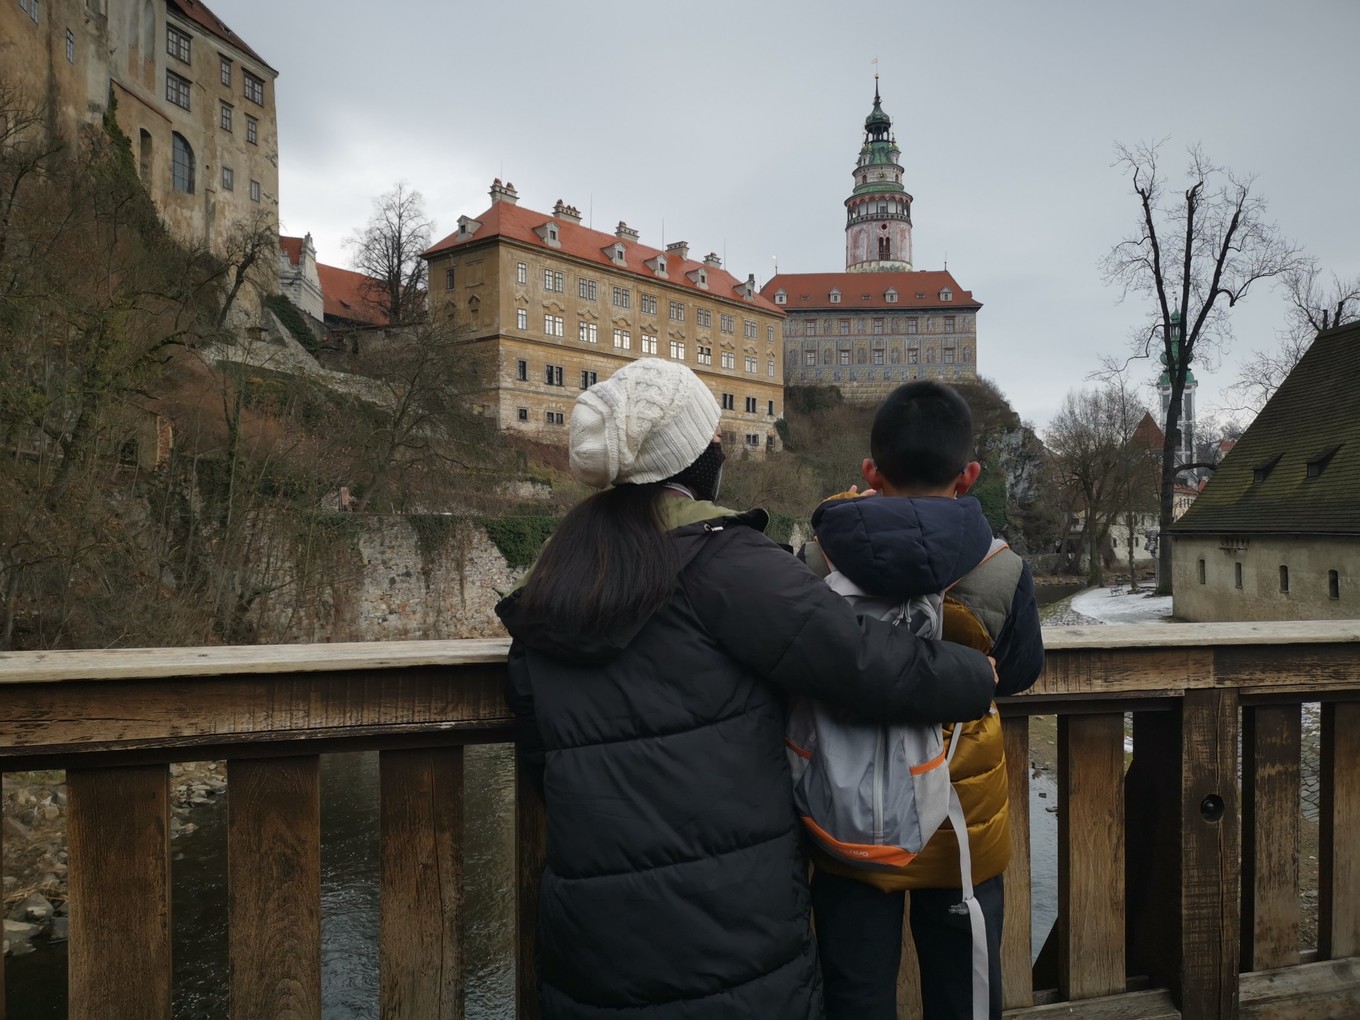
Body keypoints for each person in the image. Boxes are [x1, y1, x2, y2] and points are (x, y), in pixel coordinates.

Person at [495, 359, 999, 1020]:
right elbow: (856, 657)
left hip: (592, 936)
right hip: (728, 925)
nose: (721, 448)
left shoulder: (551, 577)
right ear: (693, 458)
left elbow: (541, 755)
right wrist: (974, 676)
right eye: (714, 437)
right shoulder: (724, 560)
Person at [802, 380, 1044, 1020]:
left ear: (870, 472)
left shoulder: (819, 559)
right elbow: (1019, 673)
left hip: (849, 819)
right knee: (965, 997)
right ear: (968, 476)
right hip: (960, 826)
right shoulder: (1002, 568)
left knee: (854, 997)